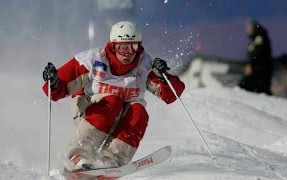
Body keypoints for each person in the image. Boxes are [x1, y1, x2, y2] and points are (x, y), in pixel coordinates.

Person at [42, 21, 185, 171]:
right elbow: (57, 90)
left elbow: (171, 95)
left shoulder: (144, 65)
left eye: (133, 47)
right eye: (122, 47)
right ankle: (78, 155)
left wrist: (162, 77)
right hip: (89, 110)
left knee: (139, 111)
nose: (127, 53)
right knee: (113, 100)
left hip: (120, 116)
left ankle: (110, 159)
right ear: (113, 45)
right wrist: (53, 81)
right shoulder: (92, 60)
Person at [239, 19, 273, 95]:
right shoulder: (257, 38)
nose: (247, 30)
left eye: (249, 27)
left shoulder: (260, 38)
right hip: (259, 70)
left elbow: (258, 54)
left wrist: (250, 64)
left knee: (244, 89)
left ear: (254, 27)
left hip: (259, 71)